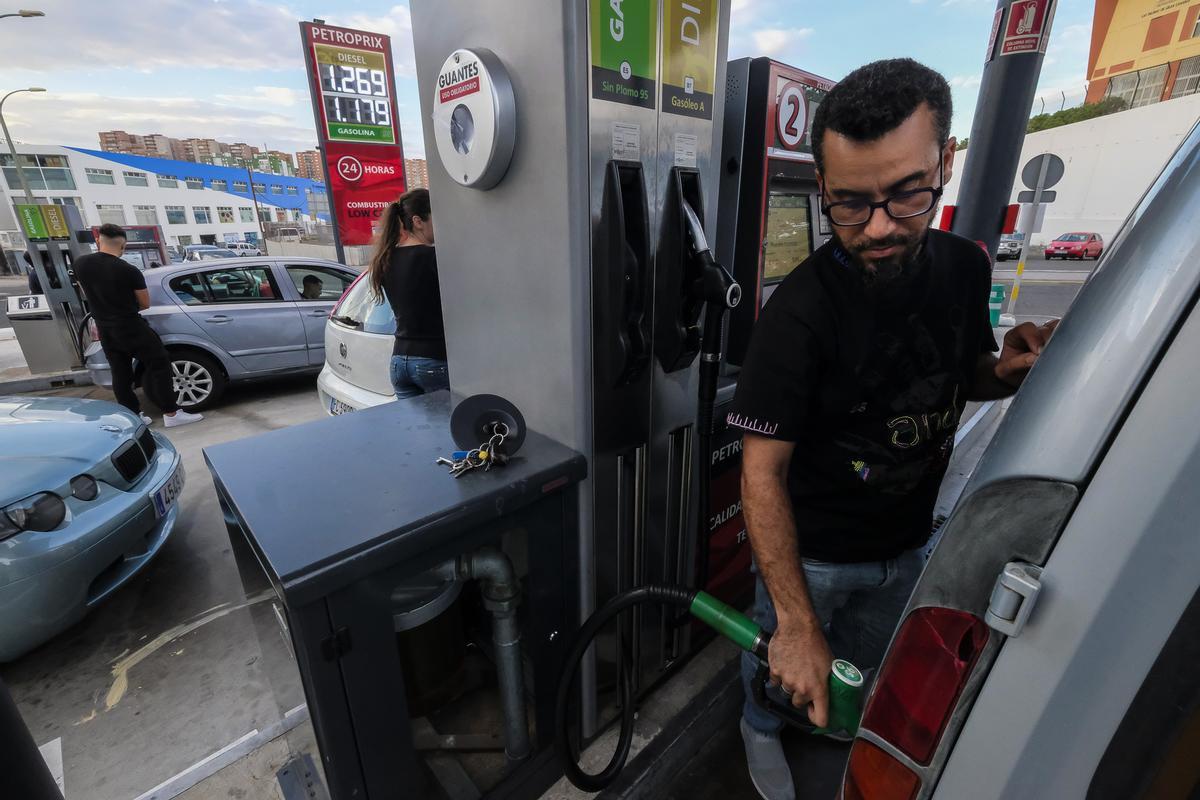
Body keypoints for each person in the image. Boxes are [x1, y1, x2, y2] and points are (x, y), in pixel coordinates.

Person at [730, 59, 1057, 800]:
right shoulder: (797, 317)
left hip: (908, 543)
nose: (878, 227)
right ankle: (757, 724)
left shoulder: (965, 267)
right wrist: (795, 624)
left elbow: (961, 373)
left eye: (907, 193)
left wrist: (1001, 373)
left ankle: (828, 722)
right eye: (850, 204)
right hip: (811, 554)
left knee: (860, 669)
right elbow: (760, 473)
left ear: (945, 162)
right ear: (822, 189)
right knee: (778, 663)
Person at [73, 224, 203, 428]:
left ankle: (133, 416)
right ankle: (171, 413)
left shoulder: (81, 264)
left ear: (99, 241)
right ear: (123, 246)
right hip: (130, 325)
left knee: (120, 372)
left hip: (104, 328)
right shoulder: (128, 270)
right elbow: (145, 303)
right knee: (160, 363)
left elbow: (85, 292)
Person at [366, 188, 449, 398]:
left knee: (414, 421)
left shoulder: (386, 259)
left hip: (399, 362)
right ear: (418, 221)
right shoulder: (432, 257)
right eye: (436, 217)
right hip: (433, 360)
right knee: (449, 420)